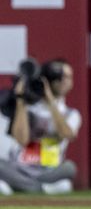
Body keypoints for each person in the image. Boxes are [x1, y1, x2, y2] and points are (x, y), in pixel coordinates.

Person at [0, 59, 81, 194]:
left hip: (50, 170)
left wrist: (50, 101)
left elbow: (66, 134)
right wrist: (20, 100)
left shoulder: (71, 113)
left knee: (70, 167)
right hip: (20, 167)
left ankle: (18, 187)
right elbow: (22, 140)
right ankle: (42, 189)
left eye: (68, 77)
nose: (64, 81)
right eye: (61, 76)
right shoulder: (28, 107)